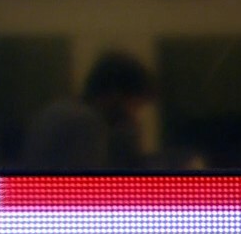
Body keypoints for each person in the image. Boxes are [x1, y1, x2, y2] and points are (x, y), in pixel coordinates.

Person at [20, 51, 154, 169]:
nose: (134, 114)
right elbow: (88, 179)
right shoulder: (85, 123)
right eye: (135, 105)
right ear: (116, 94)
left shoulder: (61, 109)